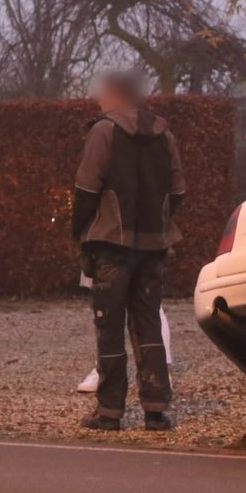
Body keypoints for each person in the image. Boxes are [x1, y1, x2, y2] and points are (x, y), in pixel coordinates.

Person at [72, 71, 185, 431]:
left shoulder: (103, 131)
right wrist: (158, 221)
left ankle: (109, 411)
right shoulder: (164, 134)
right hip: (153, 246)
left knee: (109, 326)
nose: (98, 101)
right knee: (148, 323)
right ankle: (155, 408)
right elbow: (178, 190)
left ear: (114, 96)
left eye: (101, 95)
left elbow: (86, 188)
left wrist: (81, 232)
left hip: (111, 245)